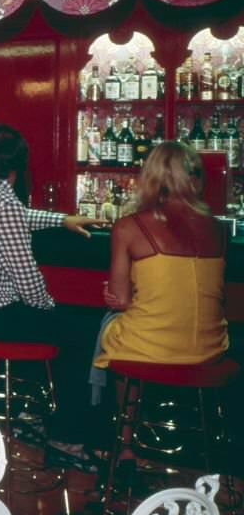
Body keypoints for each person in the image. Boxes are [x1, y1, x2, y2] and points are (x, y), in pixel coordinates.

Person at [0, 124, 97, 339]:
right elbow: (27, 281)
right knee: (83, 328)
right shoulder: (4, 203)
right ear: (20, 164)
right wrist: (48, 306)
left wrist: (62, 220)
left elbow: (15, 216)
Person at [94, 142, 228, 369]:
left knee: (110, 325)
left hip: (148, 349)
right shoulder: (218, 228)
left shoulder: (128, 227)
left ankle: (124, 405)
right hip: (211, 350)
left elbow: (121, 300)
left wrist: (122, 293)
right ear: (195, 178)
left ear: (150, 177)